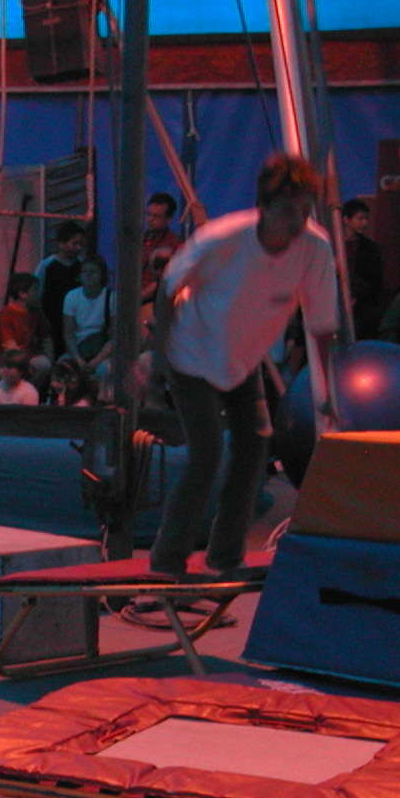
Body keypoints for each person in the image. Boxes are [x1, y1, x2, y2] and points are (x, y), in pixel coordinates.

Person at [151, 153, 339, 580]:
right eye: (288, 211)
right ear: (263, 207)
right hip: (191, 353)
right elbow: (168, 287)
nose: (297, 222)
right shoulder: (222, 239)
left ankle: (225, 557)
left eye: (305, 210)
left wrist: (327, 392)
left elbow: (322, 325)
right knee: (207, 453)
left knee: (255, 448)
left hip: (242, 360)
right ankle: (167, 560)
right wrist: (160, 355)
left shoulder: (315, 247)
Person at [35, 221, 90, 360]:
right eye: (74, 243)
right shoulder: (47, 266)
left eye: (81, 244)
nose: (78, 248)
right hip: (52, 322)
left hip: (76, 323)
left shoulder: (82, 266)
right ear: (61, 243)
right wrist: (43, 320)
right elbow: (37, 295)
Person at [0, 273, 52, 385]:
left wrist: (50, 357)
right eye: (35, 290)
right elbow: (8, 344)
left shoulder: (35, 313)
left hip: (30, 355)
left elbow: (46, 337)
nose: (37, 293)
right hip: (11, 357)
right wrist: (23, 362)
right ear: (22, 294)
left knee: (44, 364)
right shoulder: (6, 314)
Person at [342, 198, 385, 340]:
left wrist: (356, 295)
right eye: (360, 219)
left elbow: (375, 280)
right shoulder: (331, 244)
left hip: (361, 312)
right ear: (346, 219)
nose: (365, 223)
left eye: (366, 219)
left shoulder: (369, 248)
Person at [62, 257, 114, 365]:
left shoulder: (111, 297)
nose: (88, 275)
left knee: (104, 369)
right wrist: (77, 359)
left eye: (93, 271)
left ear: (102, 275)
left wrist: (97, 360)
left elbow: (114, 336)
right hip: (78, 348)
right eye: (84, 271)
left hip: (102, 350)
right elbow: (68, 333)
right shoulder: (72, 296)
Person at [141, 192, 183, 304]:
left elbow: (167, 280)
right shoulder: (139, 240)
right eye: (148, 214)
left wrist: (139, 297)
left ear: (168, 219)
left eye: (156, 216)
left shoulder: (174, 244)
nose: (150, 219)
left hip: (157, 302)